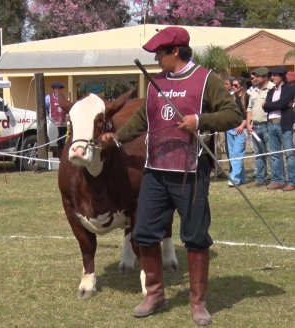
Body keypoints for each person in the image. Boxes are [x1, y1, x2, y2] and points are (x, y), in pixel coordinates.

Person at [99, 26, 241, 326]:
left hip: (190, 172)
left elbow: (233, 114)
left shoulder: (205, 80)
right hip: (155, 171)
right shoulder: (155, 83)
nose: (156, 60)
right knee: (145, 233)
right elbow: (142, 119)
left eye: (160, 54)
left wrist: (200, 120)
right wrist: (117, 138)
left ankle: (198, 303)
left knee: (195, 237)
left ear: (176, 51)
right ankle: (155, 293)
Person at [263, 67, 295, 191]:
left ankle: (292, 181)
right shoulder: (270, 91)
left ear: (282, 76)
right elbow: (265, 108)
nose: (272, 78)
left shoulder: (289, 89)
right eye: (272, 75)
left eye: (275, 75)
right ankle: (278, 180)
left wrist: (268, 104)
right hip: (271, 124)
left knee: (289, 154)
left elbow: (279, 104)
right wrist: (269, 105)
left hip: (284, 124)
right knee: (275, 154)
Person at [246, 67, 274, 188]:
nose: (255, 79)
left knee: (272, 153)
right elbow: (249, 109)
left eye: (257, 76)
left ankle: (276, 179)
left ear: (265, 77)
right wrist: (248, 123)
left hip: (268, 125)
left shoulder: (273, 88)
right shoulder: (253, 91)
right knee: (258, 154)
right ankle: (260, 179)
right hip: (255, 127)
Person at [226, 77, 249, 186]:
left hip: (241, 129)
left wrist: (243, 125)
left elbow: (249, 113)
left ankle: (234, 178)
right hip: (230, 128)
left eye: (236, 86)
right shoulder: (231, 97)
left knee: (237, 153)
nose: (233, 87)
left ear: (242, 87)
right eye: (233, 85)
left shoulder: (246, 97)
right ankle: (242, 178)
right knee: (232, 154)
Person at [45, 82, 67, 158]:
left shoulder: (64, 98)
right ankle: (54, 159)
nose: (58, 90)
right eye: (56, 88)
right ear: (53, 89)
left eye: (59, 89)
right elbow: (45, 109)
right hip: (53, 125)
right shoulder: (48, 98)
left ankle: (61, 158)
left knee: (63, 142)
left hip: (63, 125)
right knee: (54, 142)